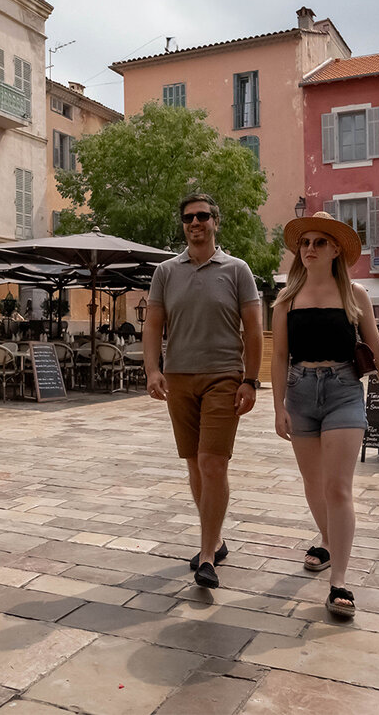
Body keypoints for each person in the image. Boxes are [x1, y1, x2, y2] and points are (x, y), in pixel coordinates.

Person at [271, 211, 379, 619]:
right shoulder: (286, 299)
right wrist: (278, 406)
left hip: (344, 392)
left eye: (318, 242)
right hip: (299, 391)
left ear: (335, 249)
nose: (309, 249)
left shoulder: (355, 295)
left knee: (337, 488)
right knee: (313, 484)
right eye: (305, 242)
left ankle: (339, 583)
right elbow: (279, 357)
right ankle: (329, 545)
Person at [144, 193, 262, 590]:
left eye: (202, 216)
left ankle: (207, 555)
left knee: (213, 463)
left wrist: (250, 379)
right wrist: (152, 370)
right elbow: (153, 325)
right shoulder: (165, 271)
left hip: (223, 378)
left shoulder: (237, 270)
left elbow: (253, 327)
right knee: (195, 465)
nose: (195, 223)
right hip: (178, 377)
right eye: (188, 218)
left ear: (215, 221)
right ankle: (217, 539)